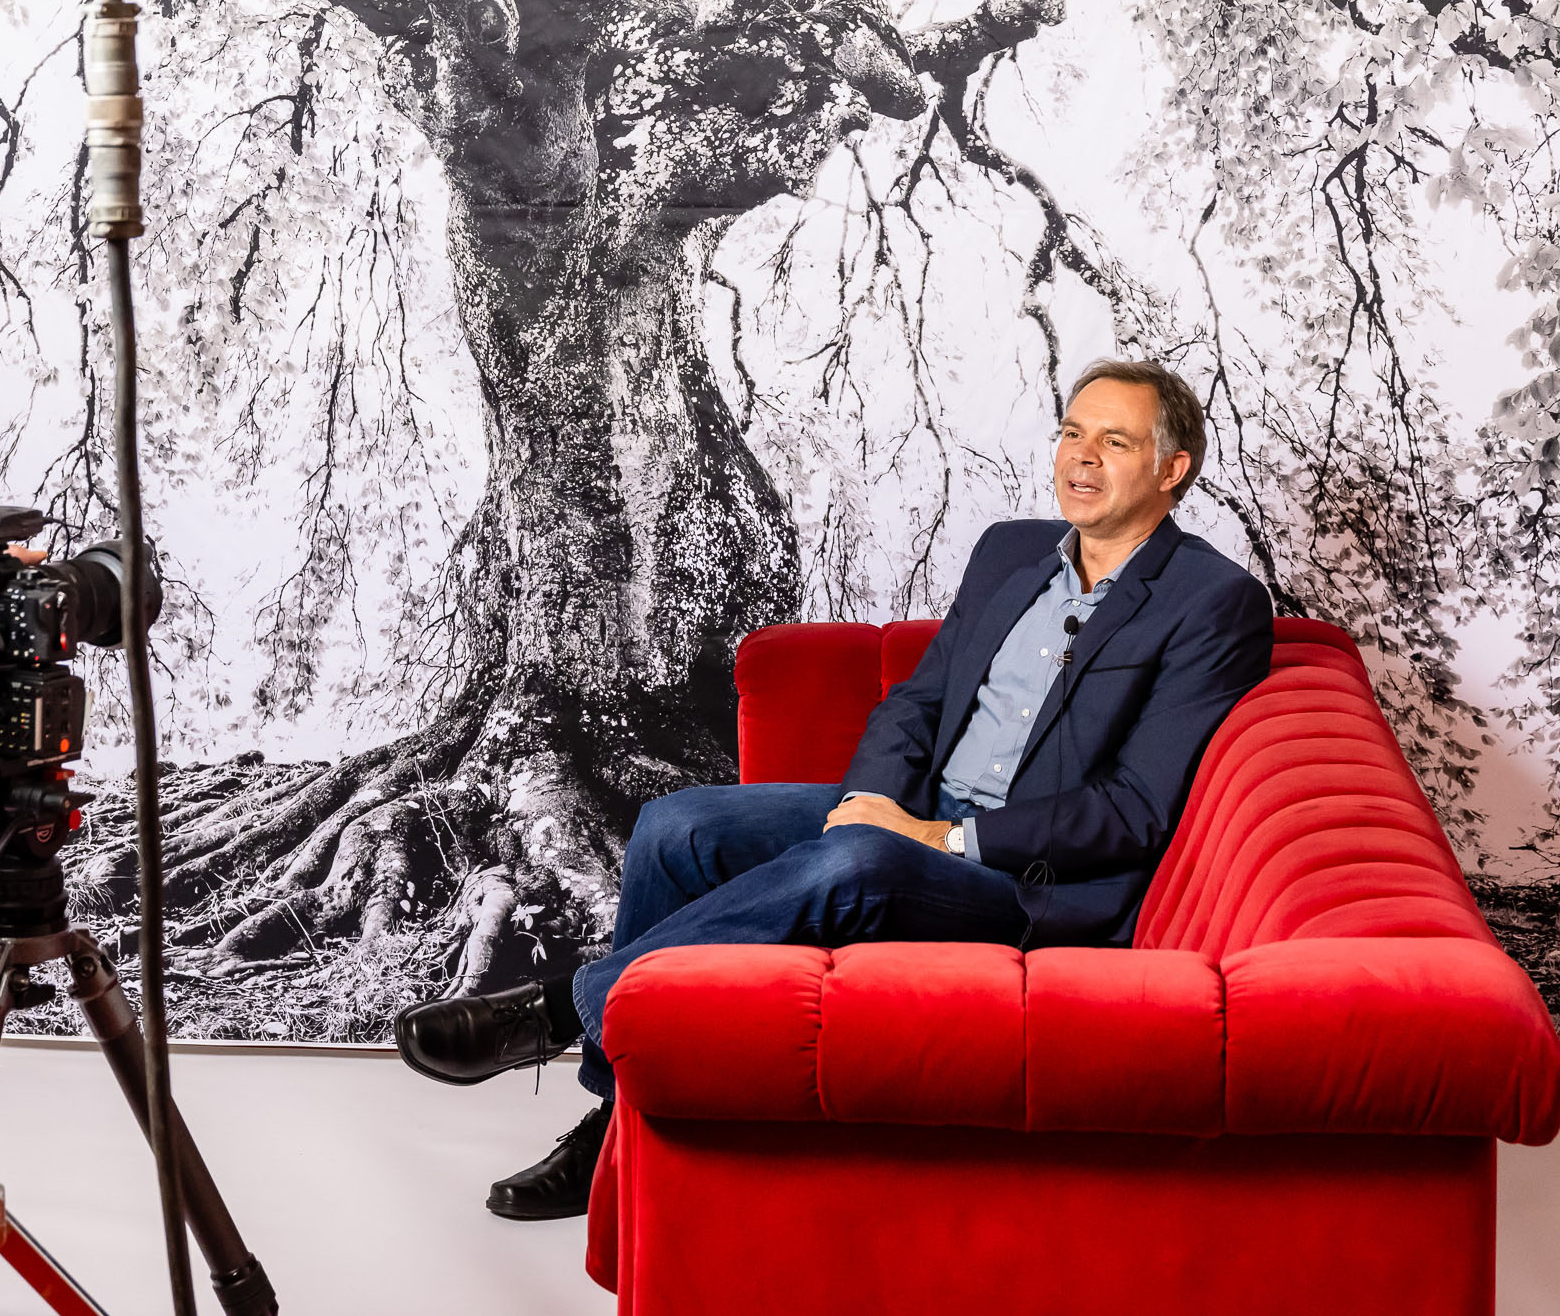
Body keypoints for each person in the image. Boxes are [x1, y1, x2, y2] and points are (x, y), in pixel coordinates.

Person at [394, 358, 1276, 1221]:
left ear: (1172, 469)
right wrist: (870, 802)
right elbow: (918, 703)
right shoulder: (1010, 552)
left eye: (1114, 442)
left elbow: (1132, 809)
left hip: (1028, 883)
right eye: (1072, 433)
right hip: (913, 815)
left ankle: (560, 1010)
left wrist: (938, 841)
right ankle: (617, 1120)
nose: (1080, 457)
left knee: (856, 867)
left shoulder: (1211, 600)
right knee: (676, 824)